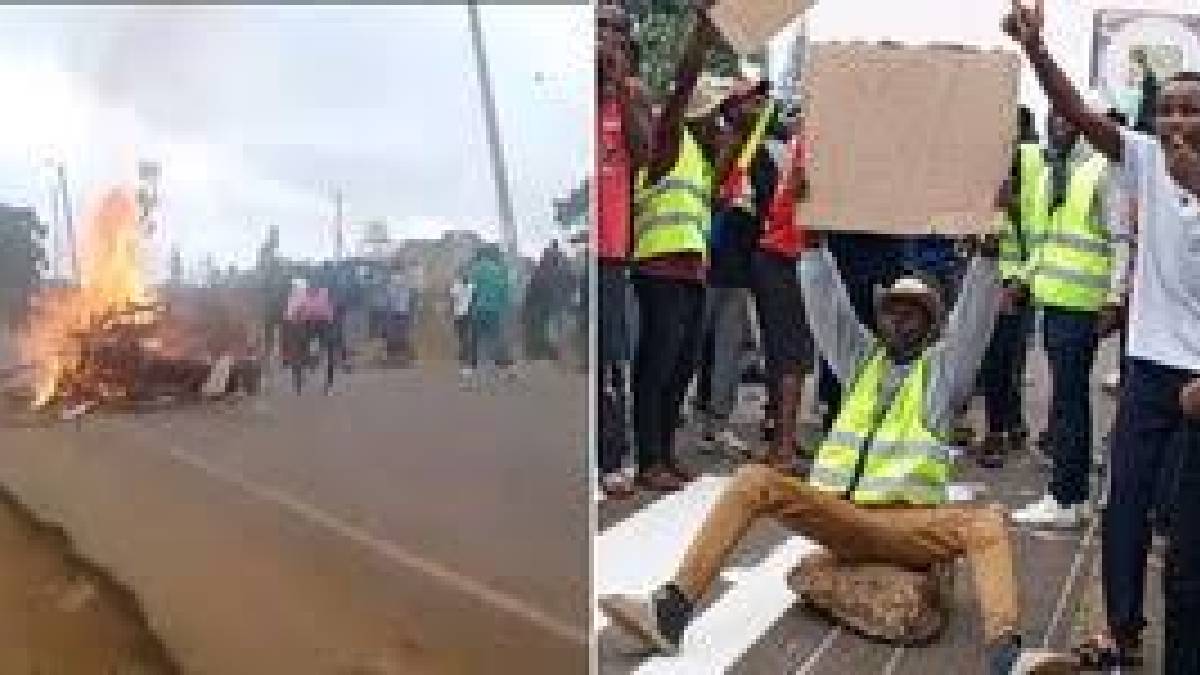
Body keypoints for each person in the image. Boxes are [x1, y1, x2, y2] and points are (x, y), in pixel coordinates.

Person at [600, 222, 1074, 674]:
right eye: (892, 309)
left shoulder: (943, 374)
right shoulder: (860, 361)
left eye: (913, 311)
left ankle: (1006, 655)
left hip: (906, 527)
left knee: (986, 522)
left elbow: (973, 326)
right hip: (840, 517)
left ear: (931, 324)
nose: (899, 318)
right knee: (753, 481)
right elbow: (828, 308)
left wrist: (986, 261)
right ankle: (671, 610)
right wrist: (813, 247)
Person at [1004, 1, 1200, 666]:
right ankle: (1122, 633)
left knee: (1185, 544)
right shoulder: (1141, 157)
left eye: (1190, 110)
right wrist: (1035, 51)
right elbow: (1080, 112)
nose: (1176, 120)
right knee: (1123, 511)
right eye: (1168, 108)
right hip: (1148, 369)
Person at [1009, 104, 1126, 528]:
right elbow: (1042, 240)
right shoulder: (1047, 173)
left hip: (1082, 304)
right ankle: (1067, 493)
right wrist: (1024, 280)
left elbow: (1120, 239)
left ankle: (1066, 497)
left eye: (1067, 120)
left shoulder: (1100, 171)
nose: (1059, 126)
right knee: (1066, 399)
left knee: (1068, 402)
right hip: (1053, 300)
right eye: (1053, 120)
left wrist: (1114, 298)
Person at [978, 106, 1040, 468]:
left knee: (1001, 357)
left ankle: (997, 432)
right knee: (996, 354)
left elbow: (1040, 226)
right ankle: (1011, 424)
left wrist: (1019, 282)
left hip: (1015, 277)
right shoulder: (985, 161)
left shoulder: (1033, 166)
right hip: (986, 269)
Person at [596, 3, 639, 499]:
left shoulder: (628, 98)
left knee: (611, 359)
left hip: (612, 253)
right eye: (597, 28)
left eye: (614, 31)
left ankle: (613, 456)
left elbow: (645, 152)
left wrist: (619, 83)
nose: (604, 39)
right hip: (581, 254)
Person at [466, 244, 515, 388]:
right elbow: (505, 292)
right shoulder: (501, 270)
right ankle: (506, 369)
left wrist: (471, 306)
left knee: (475, 339)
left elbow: (472, 290)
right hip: (496, 310)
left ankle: (473, 370)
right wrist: (503, 308)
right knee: (497, 338)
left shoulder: (478, 269)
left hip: (480, 308)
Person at [284, 276, 336, 394]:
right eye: (311, 286)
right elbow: (290, 313)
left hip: (322, 323)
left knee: (330, 347)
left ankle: (329, 382)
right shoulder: (300, 295)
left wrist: (329, 321)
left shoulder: (324, 294)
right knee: (297, 349)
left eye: (316, 286)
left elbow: (330, 313)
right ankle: (297, 381)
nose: (313, 288)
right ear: (308, 286)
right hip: (305, 323)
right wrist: (296, 317)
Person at [382, 270, 413, 366]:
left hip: (396, 313)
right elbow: (407, 300)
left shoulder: (391, 287)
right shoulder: (404, 287)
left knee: (395, 334)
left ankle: (395, 356)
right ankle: (401, 357)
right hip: (402, 313)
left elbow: (389, 300)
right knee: (401, 334)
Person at [450, 270, 474, 381]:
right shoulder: (471, 286)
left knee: (462, 336)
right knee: (465, 336)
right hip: (466, 314)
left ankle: (464, 355)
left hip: (460, 314)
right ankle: (466, 354)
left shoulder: (457, 286)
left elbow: (451, 299)